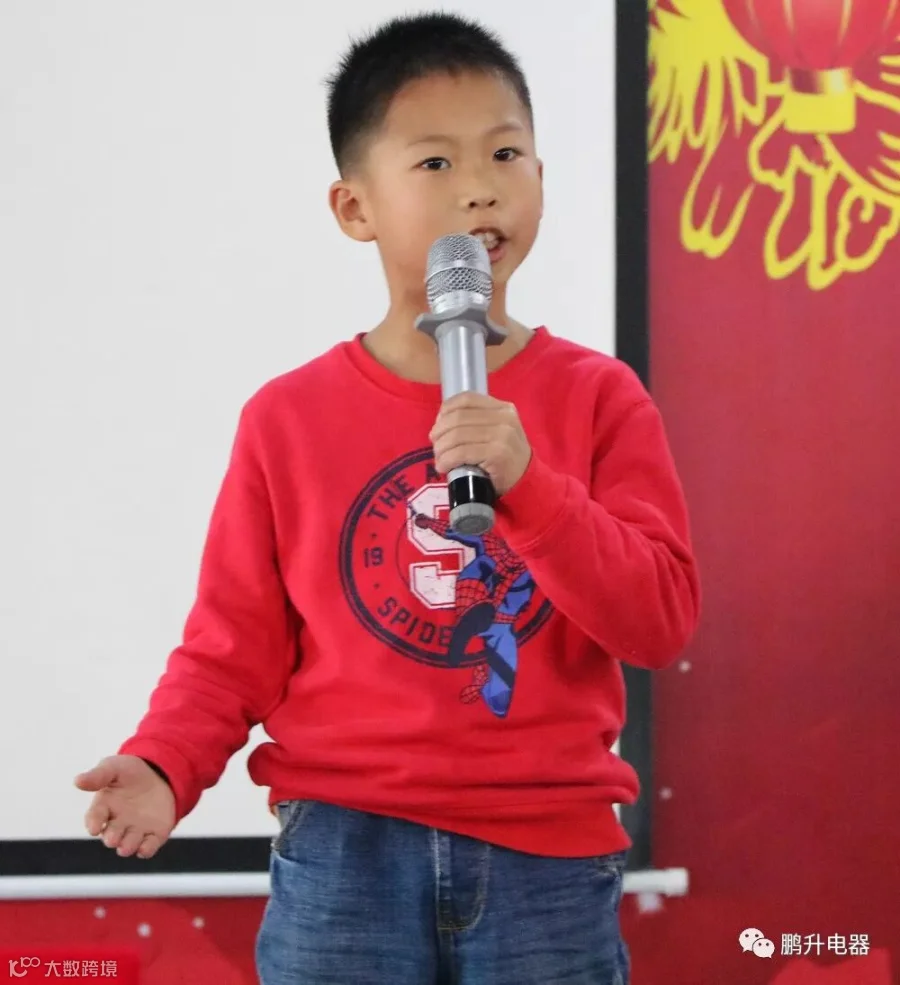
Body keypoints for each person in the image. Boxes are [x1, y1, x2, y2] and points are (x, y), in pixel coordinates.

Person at [74, 12, 700, 984]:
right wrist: (164, 763)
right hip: (345, 853)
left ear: (542, 176)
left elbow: (658, 620)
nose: (480, 185)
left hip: (546, 856)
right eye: (436, 163)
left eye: (505, 154)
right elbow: (231, 649)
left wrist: (531, 485)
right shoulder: (287, 419)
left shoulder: (599, 397)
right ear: (354, 207)